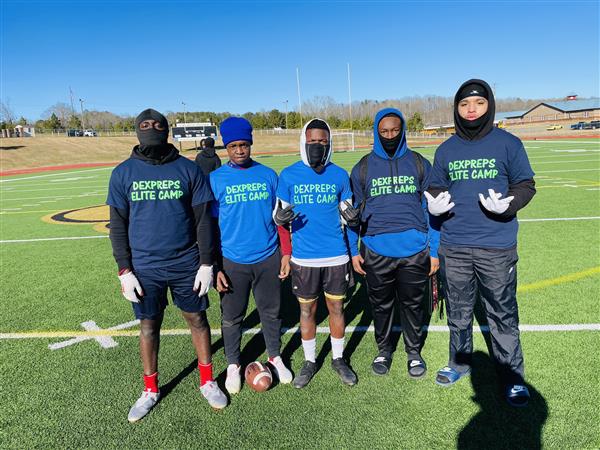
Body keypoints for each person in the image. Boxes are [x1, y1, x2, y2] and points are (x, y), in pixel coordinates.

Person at [107, 108, 227, 422]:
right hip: (144, 266)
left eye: (158, 125)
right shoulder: (123, 173)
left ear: (167, 130)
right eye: (145, 125)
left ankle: (207, 380)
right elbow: (117, 225)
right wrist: (124, 269)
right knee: (148, 326)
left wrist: (205, 264)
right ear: (136, 130)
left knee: (197, 319)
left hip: (186, 262)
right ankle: (150, 389)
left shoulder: (188, 169)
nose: (152, 129)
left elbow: (203, 221)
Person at [425, 79, 536, 407]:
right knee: (458, 311)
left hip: (496, 246)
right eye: (464, 104)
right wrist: (432, 202)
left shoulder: (508, 144)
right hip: (455, 246)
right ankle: (458, 363)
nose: (471, 109)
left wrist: (510, 203)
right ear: (456, 109)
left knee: (502, 312)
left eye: (478, 103)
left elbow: (526, 184)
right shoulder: (446, 149)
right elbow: (433, 186)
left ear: (489, 105)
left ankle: (512, 375)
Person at [348, 108, 440, 378]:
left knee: (413, 304)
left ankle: (413, 352)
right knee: (381, 304)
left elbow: (433, 210)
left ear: (403, 131)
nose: (389, 136)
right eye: (384, 131)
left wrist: (434, 251)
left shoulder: (420, 163)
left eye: (395, 130)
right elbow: (351, 214)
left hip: (415, 250)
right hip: (376, 251)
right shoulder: (362, 167)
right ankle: (384, 350)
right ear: (376, 132)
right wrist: (354, 250)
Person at [209, 116, 293, 395]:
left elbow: (280, 218)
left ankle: (274, 356)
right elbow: (210, 226)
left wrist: (285, 252)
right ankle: (233, 363)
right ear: (226, 147)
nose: (239, 150)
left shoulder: (269, 175)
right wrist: (216, 265)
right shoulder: (216, 179)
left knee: (271, 312)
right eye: (233, 146)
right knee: (232, 316)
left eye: (243, 144)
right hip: (233, 259)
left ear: (250, 144)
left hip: (268, 255)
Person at [274, 118, 359, 388]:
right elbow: (280, 217)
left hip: (336, 255)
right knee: (307, 311)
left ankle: (338, 358)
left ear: (329, 143)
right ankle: (310, 361)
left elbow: (349, 215)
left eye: (322, 141)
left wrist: (355, 221)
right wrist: (279, 220)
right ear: (303, 142)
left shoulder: (339, 175)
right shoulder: (288, 175)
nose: (317, 146)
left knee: (336, 307)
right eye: (312, 141)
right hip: (304, 258)